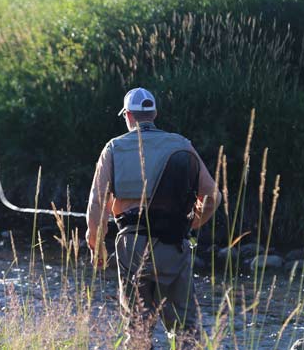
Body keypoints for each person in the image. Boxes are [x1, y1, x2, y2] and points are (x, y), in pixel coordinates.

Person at [86, 87, 221, 348]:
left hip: (131, 247)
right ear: (154, 114)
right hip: (173, 244)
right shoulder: (182, 145)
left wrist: (97, 246)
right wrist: (192, 223)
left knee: (137, 329)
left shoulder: (113, 148)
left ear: (128, 116)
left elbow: (97, 205)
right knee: (185, 330)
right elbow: (213, 197)